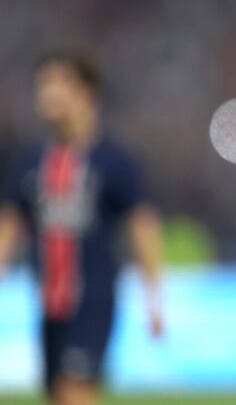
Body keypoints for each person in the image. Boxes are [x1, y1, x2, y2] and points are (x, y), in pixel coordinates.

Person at [0, 50, 164, 405]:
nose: (48, 94)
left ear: (87, 93)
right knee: (59, 394)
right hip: (48, 301)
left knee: (76, 392)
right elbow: (9, 225)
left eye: (59, 82)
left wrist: (154, 297)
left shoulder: (114, 160)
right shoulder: (29, 162)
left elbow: (142, 225)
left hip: (93, 298)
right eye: (43, 84)